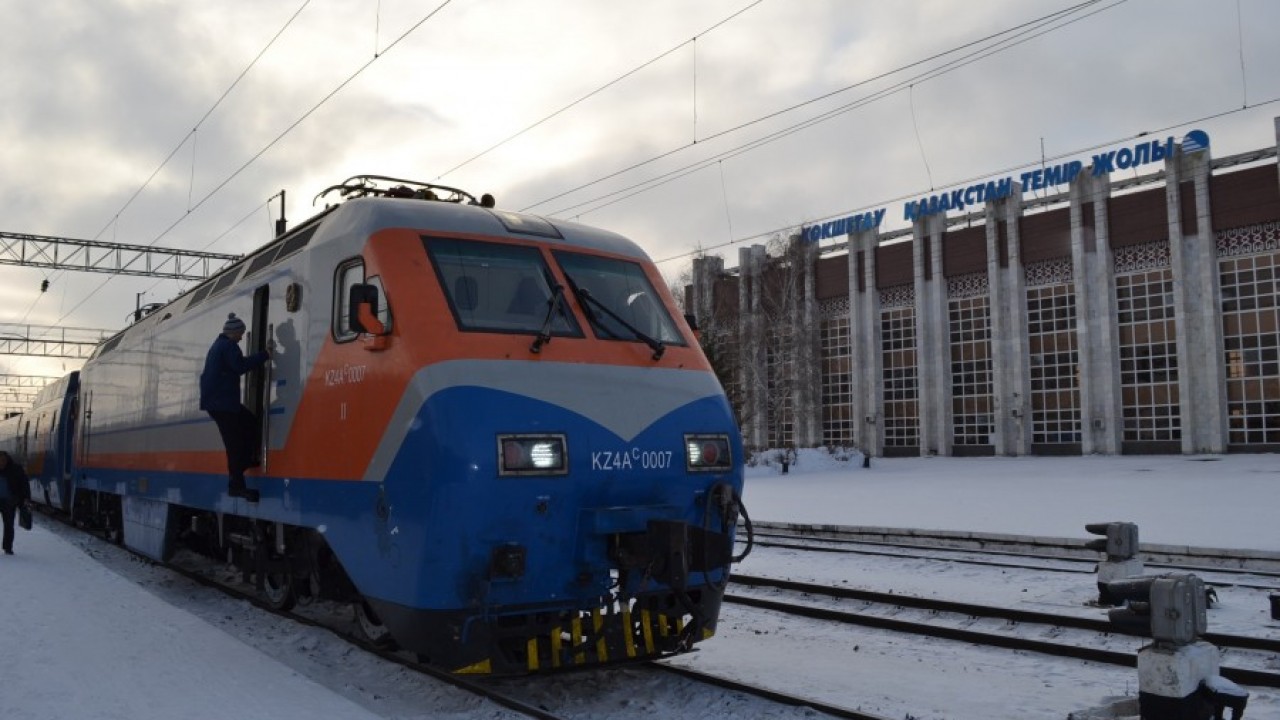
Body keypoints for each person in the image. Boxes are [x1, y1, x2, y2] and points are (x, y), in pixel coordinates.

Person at [200, 313, 270, 503]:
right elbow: (240, 366)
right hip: (223, 403)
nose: (241, 337)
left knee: (247, 423)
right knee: (235, 441)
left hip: (220, 402)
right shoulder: (228, 346)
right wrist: (265, 355)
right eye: (240, 333)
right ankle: (236, 484)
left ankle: (246, 461)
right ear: (233, 333)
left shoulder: (219, 345)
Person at [0, 451, 31, 555]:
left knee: (9, 525)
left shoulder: (16, 469)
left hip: (9, 502)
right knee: (9, 525)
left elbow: (24, 484)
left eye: (3, 460)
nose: (1, 463)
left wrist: (26, 498)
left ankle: (7, 547)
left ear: (7, 460)